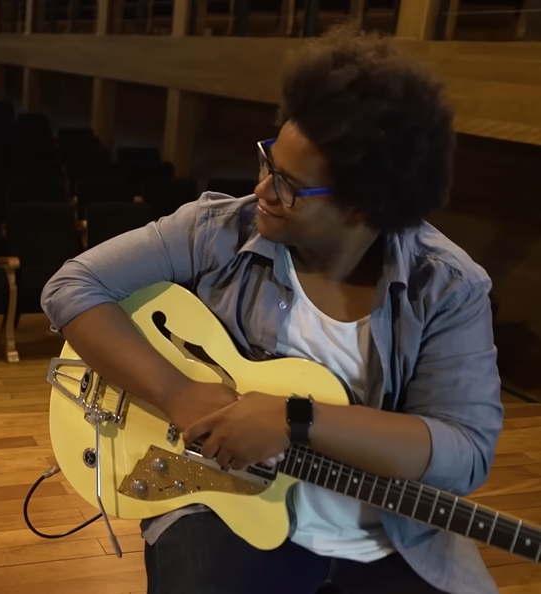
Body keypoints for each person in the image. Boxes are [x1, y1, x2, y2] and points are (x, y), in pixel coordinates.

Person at [40, 24, 504, 594]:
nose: (261, 190)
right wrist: (177, 393)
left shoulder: (448, 285)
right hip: (220, 497)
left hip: (394, 532)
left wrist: (294, 420)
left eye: (290, 185)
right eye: (268, 162)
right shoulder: (217, 229)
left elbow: (464, 453)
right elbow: (73, 286)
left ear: (363, 207)